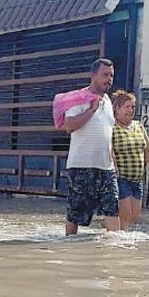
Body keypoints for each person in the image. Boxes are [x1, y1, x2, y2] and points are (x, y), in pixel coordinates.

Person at [62, 58, 120, 235]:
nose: (109, 79)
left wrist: (114, 164)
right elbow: (69, 126)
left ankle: (115, 252)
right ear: (93, 75)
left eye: (111, 75)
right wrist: (91, 110)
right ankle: (68, 247)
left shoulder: (109, 101)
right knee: (75, 214)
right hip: (81, 166)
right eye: (105, 75)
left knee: (112, 209)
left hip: (106, 168)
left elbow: (107, 135)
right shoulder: (80, 98)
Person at [111, 90, 149, 230]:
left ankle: (125, 235)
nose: (131, 110)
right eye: (126, 107)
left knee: (135, 214)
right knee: (125, 212)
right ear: (117, 108)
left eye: (133, 107)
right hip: (121, 177)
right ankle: (120, 237)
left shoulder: (139, 126)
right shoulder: (111, 127)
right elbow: (108, 150)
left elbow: (148, 149)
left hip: (137, 178)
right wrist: (113, 166)